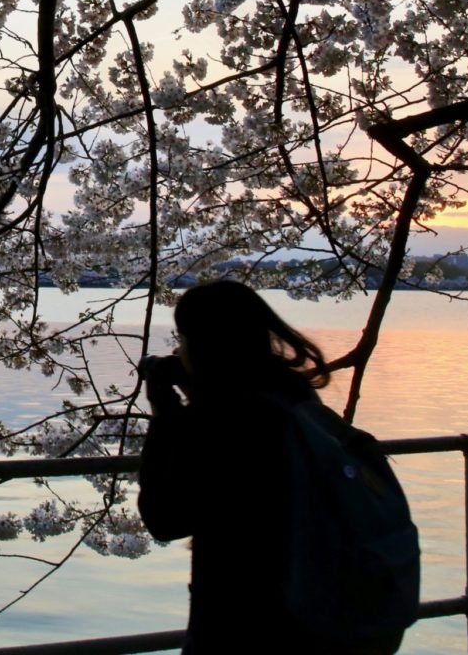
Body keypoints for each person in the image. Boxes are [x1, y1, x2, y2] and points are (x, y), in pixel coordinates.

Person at [135, 279, 348, 654]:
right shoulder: (297, 399)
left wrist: (166, 415)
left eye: (184, 338)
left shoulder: (229, 419)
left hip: (238, 618)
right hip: (318, 607)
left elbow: (164, 518)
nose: (178, 349)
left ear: (203, 344)